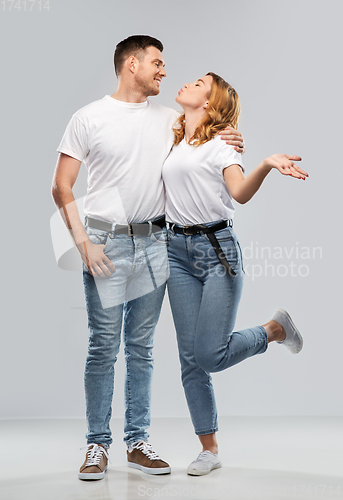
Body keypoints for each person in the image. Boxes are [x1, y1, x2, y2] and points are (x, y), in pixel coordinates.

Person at [51, 36, 244, 480]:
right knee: (103, 347)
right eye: (157, 63)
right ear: (131, 64)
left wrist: (235, 136)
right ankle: (97, 445)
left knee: (142, 349)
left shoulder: (172, 121)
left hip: (159, 243)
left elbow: (211, 140)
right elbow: (62, 185)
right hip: (105, 242)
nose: (164, 71)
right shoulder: (89, 118)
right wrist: (83, 243)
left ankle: (137, 441)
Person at [163, 72, 308, 476]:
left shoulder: (222, 145)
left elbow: (239, 193)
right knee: (190, 359)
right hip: (175, 252)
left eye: (197, 83)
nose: (187, 83)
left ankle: (273, 330)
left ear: (210, 102)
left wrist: (264, 163)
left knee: (210, 354)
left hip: (216, 253)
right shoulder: (173, 138)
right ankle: (209, 449)